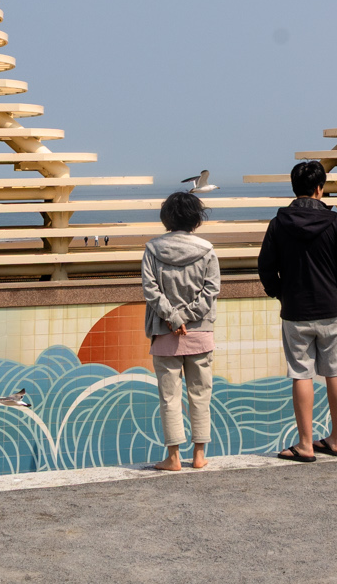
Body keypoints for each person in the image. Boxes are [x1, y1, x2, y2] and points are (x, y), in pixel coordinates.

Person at [257, 159, 337, 462]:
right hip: (332, 309)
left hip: (296, 311)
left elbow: (265, 267)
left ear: (294, 188)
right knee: (336, 372)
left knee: (301, 374)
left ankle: (304, 445)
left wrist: (281, 294)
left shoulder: (278, 224)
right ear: (319, 188)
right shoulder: (334, 223)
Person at [141, 189, 220, 471]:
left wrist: (173, 317)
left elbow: (150, 289)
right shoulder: (207, 250)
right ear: (196, 219)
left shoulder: (152, 249)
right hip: (200, 333)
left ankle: (173, 457)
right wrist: (187, 316)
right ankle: (199, 455)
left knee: (169, 398)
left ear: (167, 218)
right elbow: (211, 290)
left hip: (165, 333)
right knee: (200, 395)